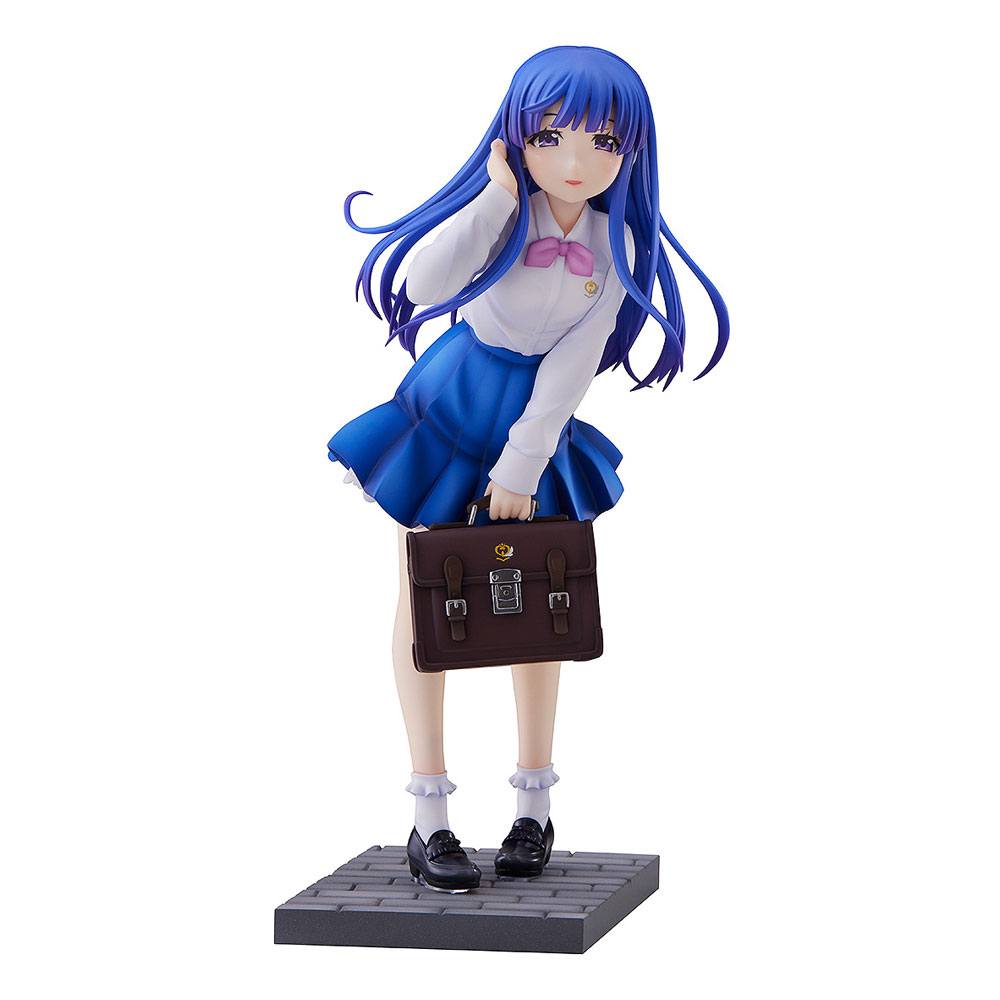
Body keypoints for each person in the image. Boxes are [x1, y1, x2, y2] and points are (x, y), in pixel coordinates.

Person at [328, 45, 728, 892]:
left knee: (537, 598)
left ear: (631, 148)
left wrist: (523, 462)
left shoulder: (617, 244)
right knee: (429, 594)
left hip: (539, 420)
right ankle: (429, 816)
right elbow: (423, 280)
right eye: (551, 136)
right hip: (455, 397)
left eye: (603, 141)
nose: (576, 161)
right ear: (517, 137)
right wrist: (498, 200)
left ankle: (534, 807)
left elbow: (575, 363)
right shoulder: (502, 209)